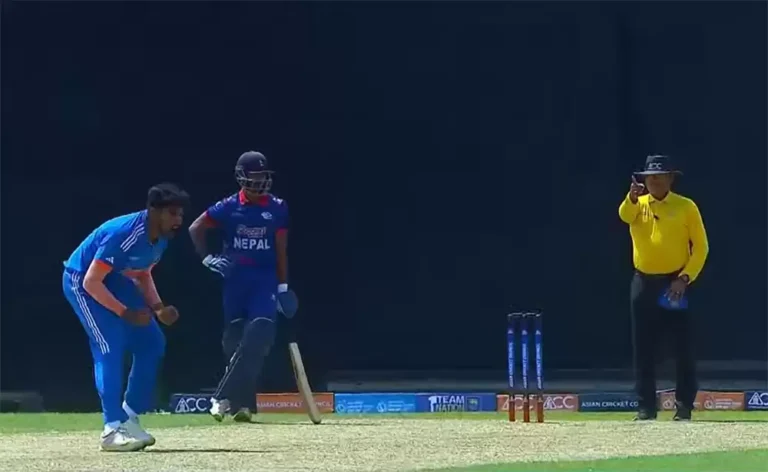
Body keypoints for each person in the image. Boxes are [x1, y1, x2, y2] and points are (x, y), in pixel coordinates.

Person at [62, 183, 188, 451]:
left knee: (152, 343)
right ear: (153, 211)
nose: (178, 220)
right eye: (172, 213)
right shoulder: (125, 233)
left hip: (116, 280)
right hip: (81, 281)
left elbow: (142, 274)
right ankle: (111, 429)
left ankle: (128, 417)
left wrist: (158, 308)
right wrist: (125, 312)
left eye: (180, 214)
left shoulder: (161, 239)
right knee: (108, 346)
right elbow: (90, 281)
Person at [188, 151, 296, 423]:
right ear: (241, 177)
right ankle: (243, 405)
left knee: (259, 331)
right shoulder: (228, 206)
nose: (260, 181)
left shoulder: (278, 207)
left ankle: (221, 396)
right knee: (235, 342)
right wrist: (207, 258)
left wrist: (283, 287)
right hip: (235, 280)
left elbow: (281, 249)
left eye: (263, 176)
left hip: (264, 279)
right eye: (255, 176)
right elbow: (195, 228)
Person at [618, 155, 709, 421]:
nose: (655, 181)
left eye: (660, 176)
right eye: (650, 177)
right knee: (643, 347)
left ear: (670, 178)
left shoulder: (685, 206)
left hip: (675, 283)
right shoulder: (637, 204)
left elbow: (701, 247)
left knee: (682, 346)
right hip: (644, 281)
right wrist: (632, 197)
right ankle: (646, 407)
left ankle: (684, 405)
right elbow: (624, 215)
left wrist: (684, 278)